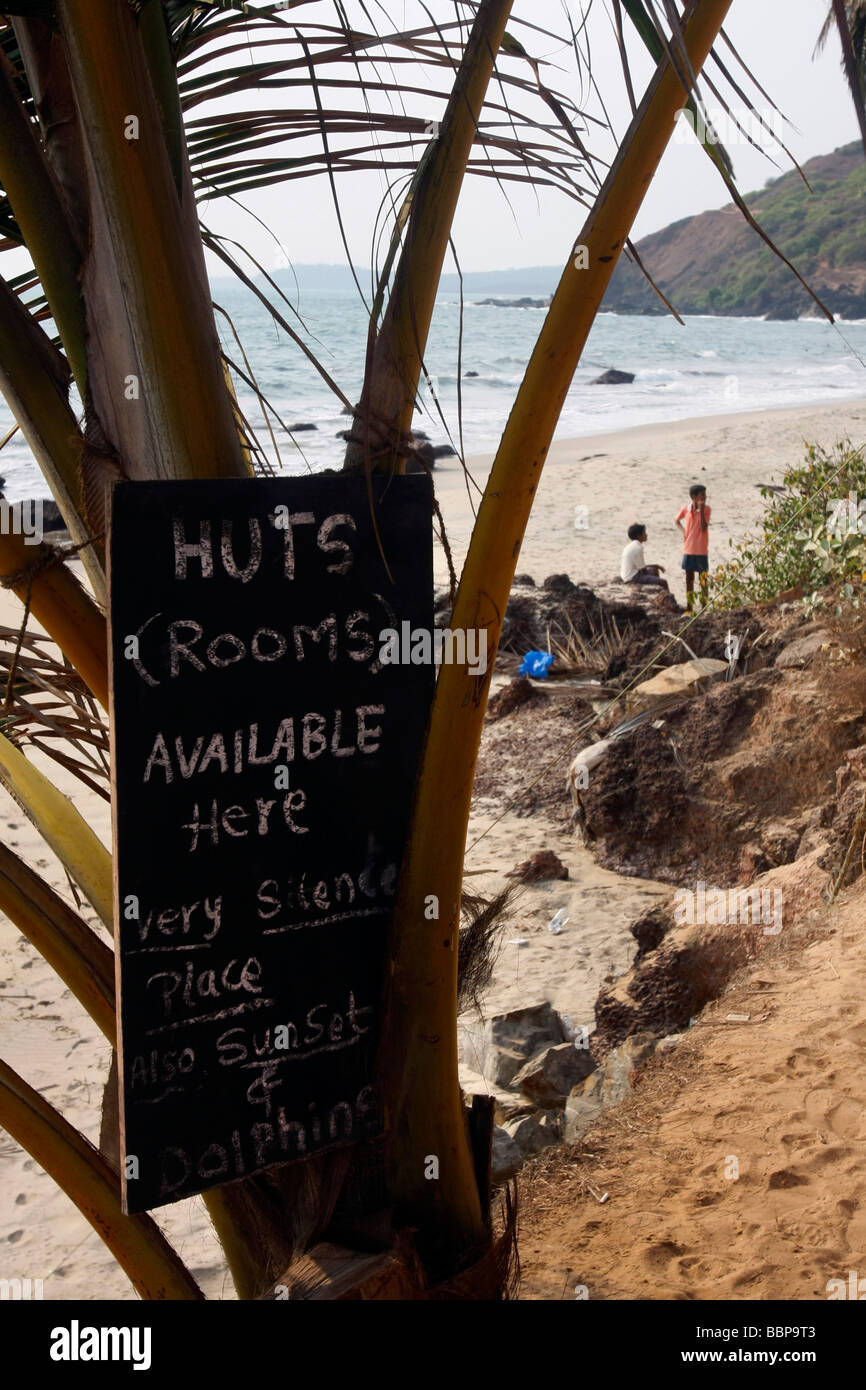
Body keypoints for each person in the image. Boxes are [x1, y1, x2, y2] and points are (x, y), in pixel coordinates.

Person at [676, 484, 711, 609]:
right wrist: (684, 532)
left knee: (703, 580)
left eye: (705, 495)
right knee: (689, 580)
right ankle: (689, 606)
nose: (705, 498)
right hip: (689, 549)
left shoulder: (707, 510)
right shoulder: (686, 509)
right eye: (702, 495)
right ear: (694, 497)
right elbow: (677, 520)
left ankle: (704, 606)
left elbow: (703, 527)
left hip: (701, 550)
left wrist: (701, 512)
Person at [620, 522, 667, 586]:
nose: (646, 535)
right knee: (663, 582)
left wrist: (656, 566)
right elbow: (643, 570)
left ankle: (656, 588)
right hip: (632, 578)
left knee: (654, 570)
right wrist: (654, 577)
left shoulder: (631, 546)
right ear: (639, 536)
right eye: (644, 533)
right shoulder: (638, 548)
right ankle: (662, 593)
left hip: (629, 575)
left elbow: (641, 566)